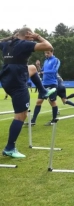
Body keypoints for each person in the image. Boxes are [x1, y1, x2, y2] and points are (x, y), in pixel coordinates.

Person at [0, 28, 55, 158]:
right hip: (18, 83)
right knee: (21, 116)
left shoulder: (6, 43)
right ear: (28, 35)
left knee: (32, 68)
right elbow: (49, 46)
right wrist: (38, 37)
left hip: (7, 79)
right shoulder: (24, 43)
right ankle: (10, 148)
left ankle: (43, 91)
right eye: (31, 37)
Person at [30, 49, 60, 126]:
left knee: (52, 101)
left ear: (52, 52)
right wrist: (38, 66)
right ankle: (33, 121)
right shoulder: (46, 61)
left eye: (48, 53)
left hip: (52, 84)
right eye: (45, 53)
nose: (46, 54)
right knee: (39, 101)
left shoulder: (56, 60)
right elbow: (41, 71)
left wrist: (43, 72)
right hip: (44, 84)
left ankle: (54, 120)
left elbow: (54, 71)